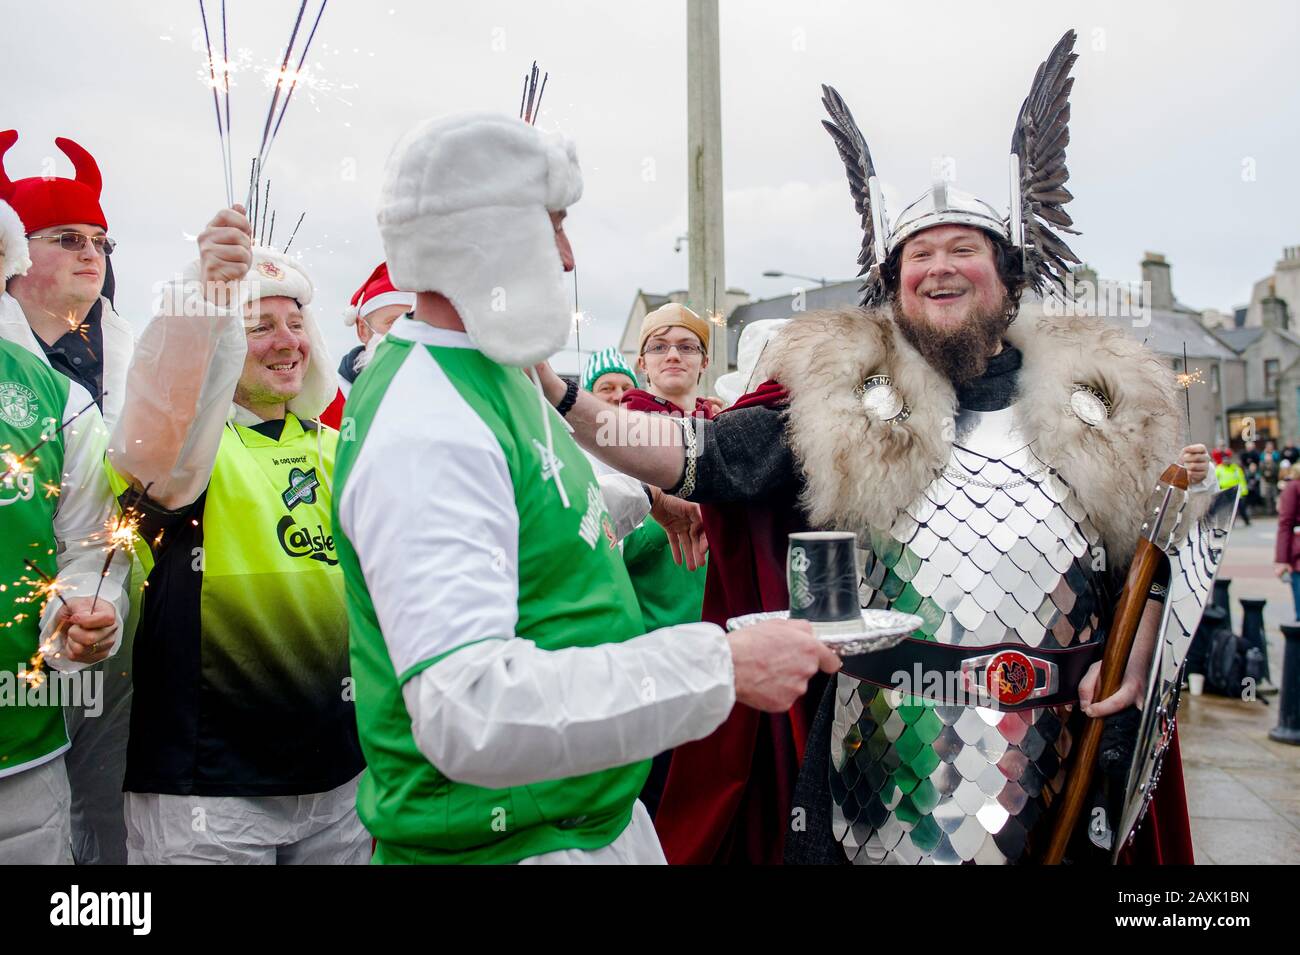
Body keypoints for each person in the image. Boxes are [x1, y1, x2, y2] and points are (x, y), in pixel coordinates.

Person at [539, 30, 1211, 865]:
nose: (940, 267)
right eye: (919, 254)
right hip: (882, 760)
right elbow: (699, 453)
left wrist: (1141, 650)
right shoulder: (840, 393)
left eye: (963, 249)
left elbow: (1165, 552)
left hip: (1058, 765)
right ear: (892, 283)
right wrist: (561, 394)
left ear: (1006, 271)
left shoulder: (1100, 402)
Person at [332, 112, 839, 864]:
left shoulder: (495, 370)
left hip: (584, 821)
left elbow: (522, 507)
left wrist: (644, 499)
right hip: (505, 844)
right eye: (554, 226)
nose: (567, 256)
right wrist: (720, 667)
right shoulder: (427, 422)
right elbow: (469, 710)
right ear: (491, 235)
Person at [106, 205, 370, 864]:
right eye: (258, 326)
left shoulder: (341, 449)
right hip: (212, 795)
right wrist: (203, 294)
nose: (287, 341)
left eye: (295, 322)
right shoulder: (186, 457)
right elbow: (161, 411)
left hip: (340, 784)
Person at [0, 130, 138, 865]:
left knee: (108, 815)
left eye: (101, 240)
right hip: (21, 677)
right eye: (67, 237)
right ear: (16, 256)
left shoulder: (137, 353)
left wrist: (91, 605)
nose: (93, 253)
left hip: (118, 636)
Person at [319, 262, 415, 429]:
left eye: (410, 321)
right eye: (392, 322)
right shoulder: (329, 400)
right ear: (363, 330)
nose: (402, 333)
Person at [1217, 450, 1250, 526]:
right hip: (1224, 491)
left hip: (1236, 490)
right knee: (1227, 508)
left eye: (1227, 459)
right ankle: (1230, 523)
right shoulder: (1219, 469)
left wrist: (1243, 491)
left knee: (1241, 507)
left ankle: (1246, 520)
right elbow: (1215, 480)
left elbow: (1241, 480)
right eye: (1224, 459)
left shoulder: (1236, 469)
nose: (1226, 461)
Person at [1260, 441, 1280, 515]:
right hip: (1266, 481)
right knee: (1267, 497)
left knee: (1275, 496)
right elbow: (1261, 471)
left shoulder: (1275, 462)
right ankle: (1269, 511)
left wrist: (1270, 474)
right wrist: (1265, 474)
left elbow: (1276, 470)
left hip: (1273, 481)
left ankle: (1276, 510)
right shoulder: (1262, 462)